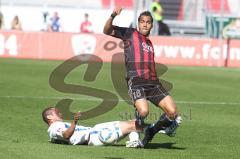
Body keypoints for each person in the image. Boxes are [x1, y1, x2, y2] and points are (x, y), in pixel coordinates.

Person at [103, 7, 182, 147]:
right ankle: (134, 133)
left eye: (148, 22)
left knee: (173, 112)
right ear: (138, 24)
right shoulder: (130, 33)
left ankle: (151, 131)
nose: (145, 24)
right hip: (137, 81)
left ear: (152, 25)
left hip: (154, 83)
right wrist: (113, 15)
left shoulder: (149, 43)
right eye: (142, 22)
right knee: (144, 111)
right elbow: (107, 31)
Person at [42, 107, 144, 147]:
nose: (60, 114)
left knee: (133, 123)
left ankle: (134, 141)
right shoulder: (54, 127)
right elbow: (66, 135)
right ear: (49, 116)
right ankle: (156, 128)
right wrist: (74, 122)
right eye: (57, 112)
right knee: (132, 126)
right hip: (96, 137)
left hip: (95, 129)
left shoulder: (56, 127)